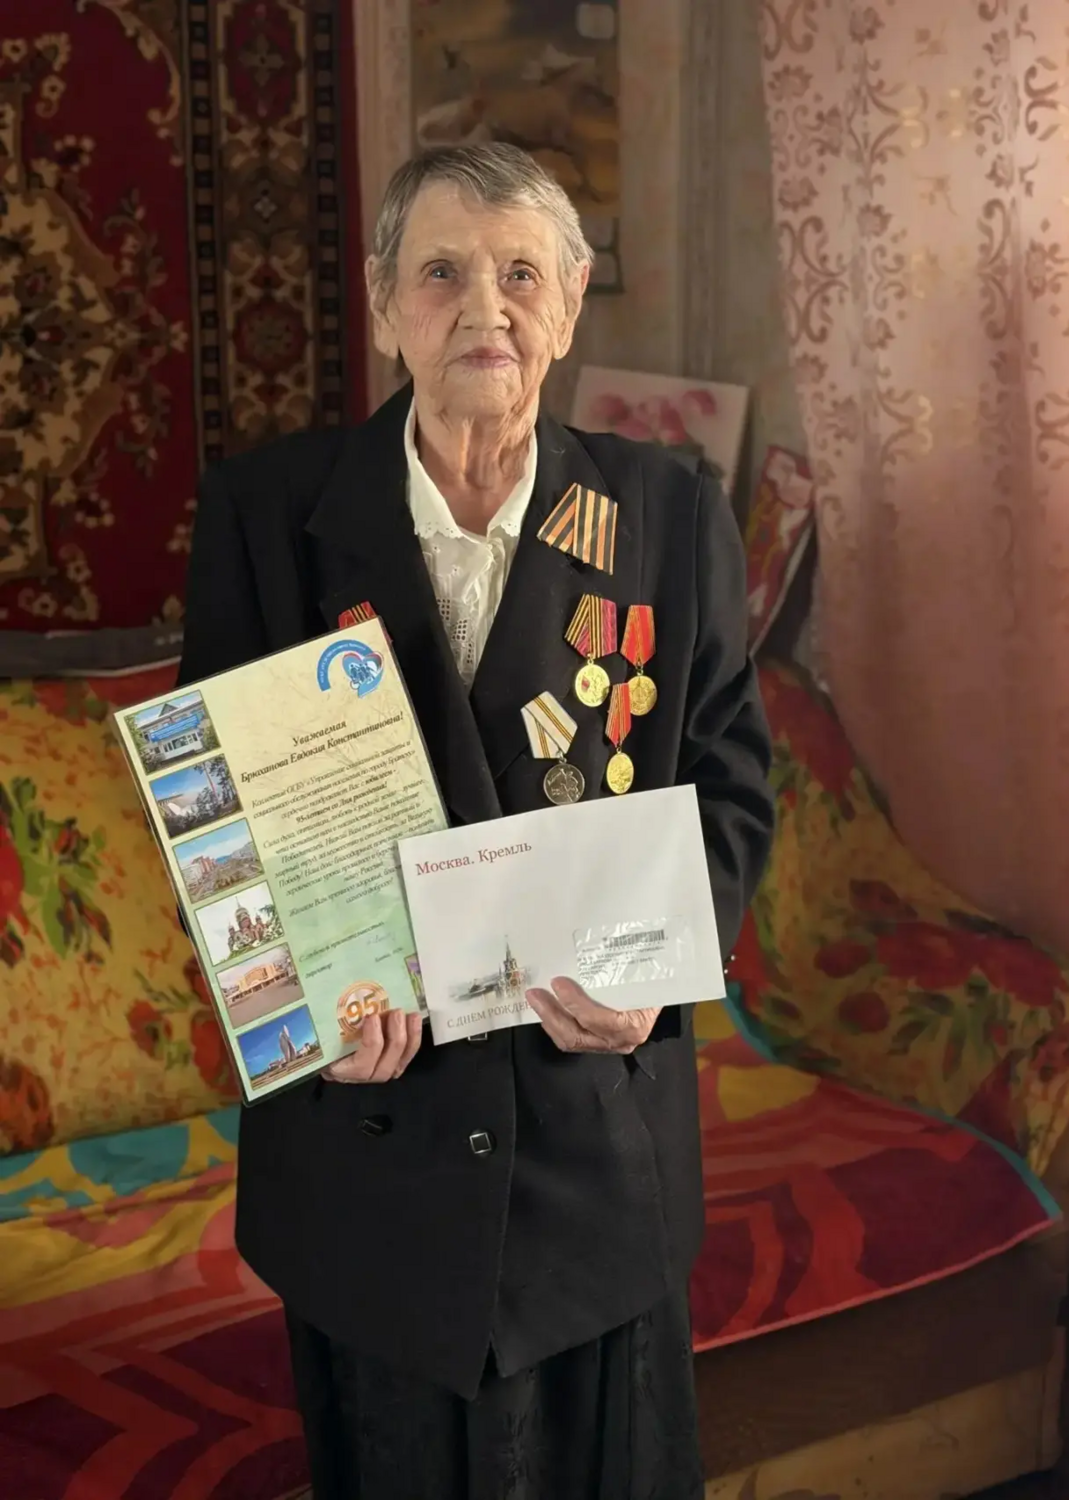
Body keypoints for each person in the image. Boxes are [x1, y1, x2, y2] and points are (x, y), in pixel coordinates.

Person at [178, 142, 774, 1500]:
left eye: (519, 274)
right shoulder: (268, 516)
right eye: (442, 272)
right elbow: (219, 818)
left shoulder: (668, 515)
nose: (484, 308)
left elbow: (732, 781)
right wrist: (301, 1000)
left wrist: (654, 974)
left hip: (596, 1158)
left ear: (570, 301)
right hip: (368, 1164)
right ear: (386, 301)